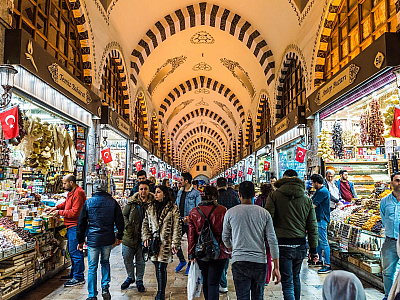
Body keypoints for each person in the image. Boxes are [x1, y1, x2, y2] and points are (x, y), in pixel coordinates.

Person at [265, 169, 318, 300]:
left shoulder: (274, 196)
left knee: (287, 283)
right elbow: (312, 226)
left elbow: (267, 219)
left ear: (283, 179)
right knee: (296, 279)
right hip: (300, 245)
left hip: (282, 245)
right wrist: (314, 249)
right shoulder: (306, 199)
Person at [222, 181, 280, 300]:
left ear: (239, 194)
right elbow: (272, 240)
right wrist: (276, 267)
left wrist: (232, 249)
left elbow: (225, 237)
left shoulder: (230, 213)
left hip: (239, 261)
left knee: (242, 297)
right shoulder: (264, 213)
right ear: (254, 194)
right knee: (258, 297)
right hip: (259, 262)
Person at [76, 179, 124, 300]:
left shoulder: (89, 202)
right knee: (105, 262)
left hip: (93, 239)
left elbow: (81, 223)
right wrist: (119, 236)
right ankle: (105, 286)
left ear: (95, 188)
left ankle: (92, 295)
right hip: (108, 238)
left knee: (92, 266)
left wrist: (80, 240)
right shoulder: (113, 202)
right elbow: (120, 221)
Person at [188, 186, 230, 300]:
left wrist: (191, 253)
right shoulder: (223, 210)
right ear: (216, 196)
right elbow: (227, 232)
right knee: (214, 283)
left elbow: (191, 236)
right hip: (220, 251)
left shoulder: (194, 212)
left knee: (205, 280)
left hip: (201, 250)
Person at [45, 175, 86, 287]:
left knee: (75, 252)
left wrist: (60, 213)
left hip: (76, 226)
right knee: (72, 251)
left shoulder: (78, 193)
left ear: (71, 182)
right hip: (71, 226)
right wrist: (56, 208)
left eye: (64, 183)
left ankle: (78, 277)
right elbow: (66, 204)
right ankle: (74, 273)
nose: (63, 185)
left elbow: (74, 212)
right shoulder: (71, 192)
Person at [142, 185, 182, 300]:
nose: (155, 194)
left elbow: (177, 227)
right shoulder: (151, 207)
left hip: (166, 243)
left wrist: (175, 243)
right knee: (156, 266)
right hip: (154, 243)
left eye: (158, 192)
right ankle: (160, 292)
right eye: (155, 192)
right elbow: (145, 223)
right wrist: (146, 237)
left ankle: (161, 293)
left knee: (161, 268)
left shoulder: (173, 208)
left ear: (164, 194)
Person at [121, 180, 154, 291]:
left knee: (141, 260)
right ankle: (130, 277)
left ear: (149, 190)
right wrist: (127, 226)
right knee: (127, 257)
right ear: (138, 190)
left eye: (145, 189)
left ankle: (139, 280)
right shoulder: (132, 203)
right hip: (129, 236)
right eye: (141, 189)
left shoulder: (153, 203)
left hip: (144, 238)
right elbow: (124, 215)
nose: (143, 191)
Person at [216, 177, 240, 293]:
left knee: (218, 254)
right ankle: (223, 278)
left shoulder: (215, 196)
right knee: (226, 253)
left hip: (216, 229)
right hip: (232, 228)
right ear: (226, 185)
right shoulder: (234, 195)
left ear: (217, 185)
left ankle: (221, 281)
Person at [175, 172, 202, 274]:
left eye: (181, 180)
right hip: (180, 221)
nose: (179, 181)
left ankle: (190, 265)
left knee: (192, 245)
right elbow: (176, 205)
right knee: (176, 242)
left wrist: (190, 218)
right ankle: (182, 261)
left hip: (190, 223)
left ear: (186, 181)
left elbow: (198, 208)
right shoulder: (180, 192)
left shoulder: (196, 193)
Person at [380, 172, 400, 300]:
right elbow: (383, 218)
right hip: (390, 241)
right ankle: (388, 296)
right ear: (392, 183)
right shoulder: (384, 201)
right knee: (388, 272)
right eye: (397, 180)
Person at [254, 183, 275, 286]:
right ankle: (267, 279)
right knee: (269, 255)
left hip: (261, 231)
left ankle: (263, 277)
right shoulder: (275, 199)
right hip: (271, 230)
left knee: (263, 255)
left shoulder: (259, 200)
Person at [311, 174, 332, 274]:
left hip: (322, 219)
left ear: (316, 182)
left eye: (312, 182)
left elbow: (313, 205)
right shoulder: (319, 191)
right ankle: (318, 260)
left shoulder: (322, 191)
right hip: (318, 218)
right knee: (319, 241)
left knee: (324, 241)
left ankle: (327, 264)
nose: (312, 184)